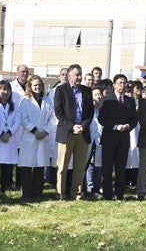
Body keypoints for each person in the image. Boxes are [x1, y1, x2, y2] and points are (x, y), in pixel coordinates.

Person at [54, 64, 94, 200]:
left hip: (82, 134)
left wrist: (82, 126)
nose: (79, 77)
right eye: (76, 75)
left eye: (80, 74)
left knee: (80, 166)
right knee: (62, 166)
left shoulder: (87, 91)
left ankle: (76, 192)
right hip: (67, 133)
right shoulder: (60, 90)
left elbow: (90, 113)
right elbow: (59, 112)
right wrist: (72, 126)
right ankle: (61, 193)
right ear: (69, 75)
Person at [98, 74, 137, 200]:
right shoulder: (106, 99)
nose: (123, 85)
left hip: (123, 139)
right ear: (114, 85)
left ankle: (120, 194)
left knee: (121, 169)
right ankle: (107, 194)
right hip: (109, 139)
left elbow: (134, 120)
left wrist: (127, 126)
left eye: (125, 83)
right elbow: (101, 118)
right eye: (120, 82)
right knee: (107, 169)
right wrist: (115, 126)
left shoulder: (130, 101)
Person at [18, 75, 54, 199]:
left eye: (39, 85)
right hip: (29, 136)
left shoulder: (48, 100)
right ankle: (27, 193)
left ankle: (38, 193)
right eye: (35, 85)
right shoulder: (25, 100)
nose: (37, 87)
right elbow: (23, 118)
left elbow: (52, 118)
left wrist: (44, 131)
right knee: (27, 166)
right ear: (30, 86)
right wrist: (34, 131)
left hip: (43, 137)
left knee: (40, 166)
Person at [0, 80, 21, 199]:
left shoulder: (14, 105)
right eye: (3, 89)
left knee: (6, 167)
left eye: (8, 89)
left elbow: (18, 121)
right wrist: (1, 133)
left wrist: (9, 133)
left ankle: (2, 191)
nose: (6, 92)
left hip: (9, 139)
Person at [10, 64, 30, 189]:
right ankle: (8, 182)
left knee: (22, 156)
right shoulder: (11, 87)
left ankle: (20, 182)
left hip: (26, 126)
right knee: (11, 156)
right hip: (14, 125)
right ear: (17, 73)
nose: (24, 74)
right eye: (22, 71)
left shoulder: (30, 86)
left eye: (26, 72)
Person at [86, 86, 104, 199]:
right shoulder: (88, 109)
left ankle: (96, 189)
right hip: (88, 139)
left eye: (99, 94)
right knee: (86, 164)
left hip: (100, 140)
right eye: (95, 95)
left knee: (98, 166)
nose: (98, 97)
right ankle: (84, 188)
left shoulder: (104, 109)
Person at [125, 81, 142, 187]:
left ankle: (135, 180)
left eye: (140, 88)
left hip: (138, 130)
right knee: (128, 155)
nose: (139, 90)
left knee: (137, 155)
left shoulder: (142, 102)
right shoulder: (128, 102)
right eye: (137, 88)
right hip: (129, 129)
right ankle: (126, 180)